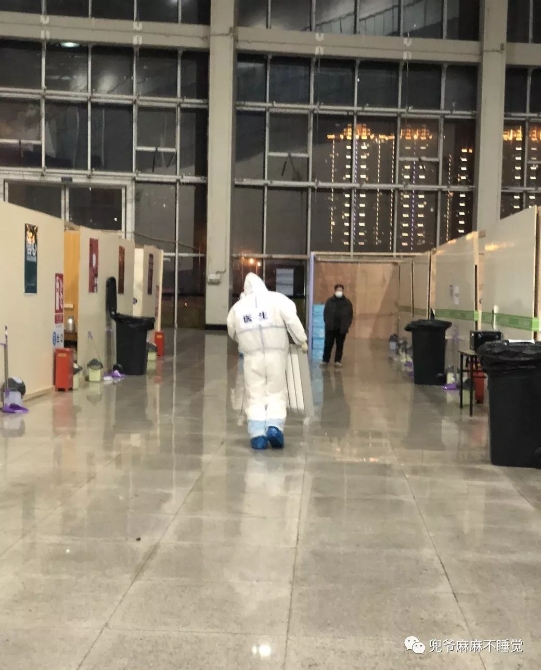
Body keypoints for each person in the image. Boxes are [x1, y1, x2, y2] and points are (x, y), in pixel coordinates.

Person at [227, 272, 308, 451]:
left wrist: (245, 342)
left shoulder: (238, 308)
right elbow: (292, 320)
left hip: (251, 359)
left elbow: (232, 331)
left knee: (254, 395)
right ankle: (274, 427)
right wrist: (301, 340)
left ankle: (257, 435)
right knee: (276, 392)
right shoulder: (277, 299)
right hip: (276, 357)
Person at [321, 284, 353, 368]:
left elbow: (350, 315)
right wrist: (327, 323)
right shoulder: (329, 301)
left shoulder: (347, 303)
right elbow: (325, 313)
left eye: (341, 290)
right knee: (328, 344)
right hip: (330, 328)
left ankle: (337, 361)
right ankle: (325, 360)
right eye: (338, 290)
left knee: (340, 345)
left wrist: (346, 325)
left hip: (341, 328)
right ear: (335, 291)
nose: (339, 291)